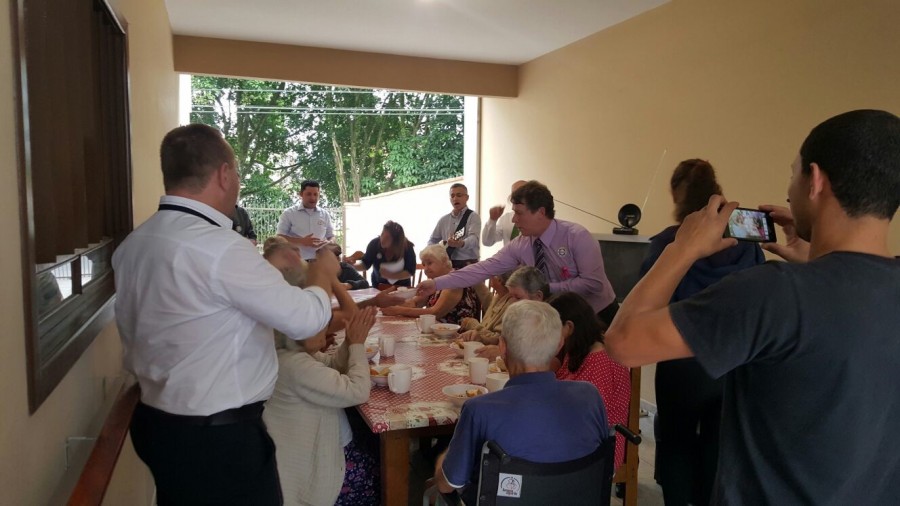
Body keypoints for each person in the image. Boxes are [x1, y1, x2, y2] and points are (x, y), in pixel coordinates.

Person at [605, 110, 900, 504]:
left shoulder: (774, 292)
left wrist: (682, 248)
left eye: (793, 174)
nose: (789, 193)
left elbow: (623, 342)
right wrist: (813, 259)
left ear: (815, 180)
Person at [114, 124, 340, 504]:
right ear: (223, 174)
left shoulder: (135, 243)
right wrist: (322, 273)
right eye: (236, 173)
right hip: (216, 439)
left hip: (158, 423)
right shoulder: (221, 247)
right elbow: (306, 321)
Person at [640, 158, 764, 506]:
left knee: (675, 442)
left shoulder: (669, 243)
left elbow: (648, 299)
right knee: (716, 443)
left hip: (680, 362)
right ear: (717, 192)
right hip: (732, 359)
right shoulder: (747, 241)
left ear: (675, 195)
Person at [432, 300, 609, 504]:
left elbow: (446, 484)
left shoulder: (478, 409)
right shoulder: (590, 396)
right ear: (559, 344)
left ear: (502, 346)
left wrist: (445, 457)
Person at [418, 180, 619, 326]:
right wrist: (436, 284)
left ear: (541, 212)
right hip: (558, 316)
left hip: (598, 314)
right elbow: (483, 269)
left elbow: (593, 284)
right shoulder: (521, 244)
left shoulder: (577, 236)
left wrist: (546, 288)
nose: (514, 220)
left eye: (519, 213)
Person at [264, 297, 379, 506]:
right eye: (321, 324)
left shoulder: (291, 353)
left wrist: (349, 341)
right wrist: (356, 345)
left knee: (375, 443)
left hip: (319, 442)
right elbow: (358, 391)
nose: (326, 329)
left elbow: (333, 366)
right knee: (379, 471)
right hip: (312, 462)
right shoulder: (294, 364)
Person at [547, 292, 630, 469]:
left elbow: (586, 416)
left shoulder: (600, 359)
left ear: (569, 326)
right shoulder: (578, 348)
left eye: (551, 327)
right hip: (575, 431)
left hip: (597, 447)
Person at [381, 244, 480, 324]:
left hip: (459, 336)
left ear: (444, 261)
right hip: (436, 331)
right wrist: (390, 302)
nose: (426, 269)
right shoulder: (434, 281)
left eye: (429, 263)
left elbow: (435, 313)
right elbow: (415, 303)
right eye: (424, 265)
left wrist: (398, 310)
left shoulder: (454, 281)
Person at [473, 266, 550, 361]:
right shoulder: (520, 317)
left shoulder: (547, 323)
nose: (512, 303)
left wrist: (503, 353)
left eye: (518, 297)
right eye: (511, 297)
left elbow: (544, 358)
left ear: (538, 297)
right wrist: (482, 339)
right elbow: (503, 339)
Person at [345, 220, 416, 288]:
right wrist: (352, 266)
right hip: (378, 286)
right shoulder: (374, 244)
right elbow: (365, 264)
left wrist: (391, 275)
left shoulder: (407, 247)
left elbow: (410, 272)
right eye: (382, 234)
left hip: (402, 288)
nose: (382, 239)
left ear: (395, 241)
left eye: (387, 237)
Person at [277, 180, 334, 260]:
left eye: (315, 194)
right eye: (309, 194)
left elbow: (331, 236)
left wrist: (329, 242)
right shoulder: (289, 213)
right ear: (301, 194)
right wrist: (301, 241)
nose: (313, 198)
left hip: (320, 261)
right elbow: (279, 237)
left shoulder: (325, 214)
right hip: (296, 261)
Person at [428, 183, 481, 269]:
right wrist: (435, 253)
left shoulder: (473, 216)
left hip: (468, 265)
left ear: (467, 197)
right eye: (452, 196)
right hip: (447, 265)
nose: (455, 198)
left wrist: (461, 243)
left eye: (459, 195)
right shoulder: (443, 220)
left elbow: (474, 239)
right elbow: (432, 240)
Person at [457, 270, 517, 344]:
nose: (489, 276)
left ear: (499, 280)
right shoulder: (498, 296)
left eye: (492, 275)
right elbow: (486, 297)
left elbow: (499, 340)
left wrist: (472, 324)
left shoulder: (512, 305)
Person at [482, 180, 527, 247]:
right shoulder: (506, 219)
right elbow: (487, 242)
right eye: (514, 194)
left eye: (520, 193)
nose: (516, 197)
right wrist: (492, 220)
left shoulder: (536, 220)